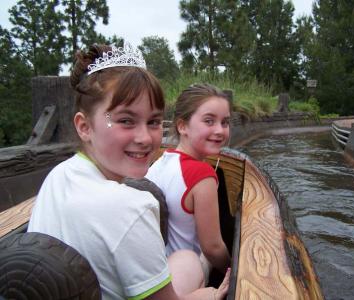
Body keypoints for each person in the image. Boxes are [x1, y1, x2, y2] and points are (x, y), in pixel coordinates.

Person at [27, 43, 230, 300]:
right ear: (84, 126)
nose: (145, 138)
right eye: (125, 120)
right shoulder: (132, 207)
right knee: (196, 270)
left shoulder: (58, 174)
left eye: (154, 121)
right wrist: (211, 294)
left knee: (187, 260)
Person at [146, 83, 232, 279]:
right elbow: (212, 248)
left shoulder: (160, 162)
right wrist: (234, 271)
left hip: (159, 271)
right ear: (182, 126)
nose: (220, 130)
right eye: (209, 121)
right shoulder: (203, 174)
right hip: (188, 276)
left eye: (225, 122)